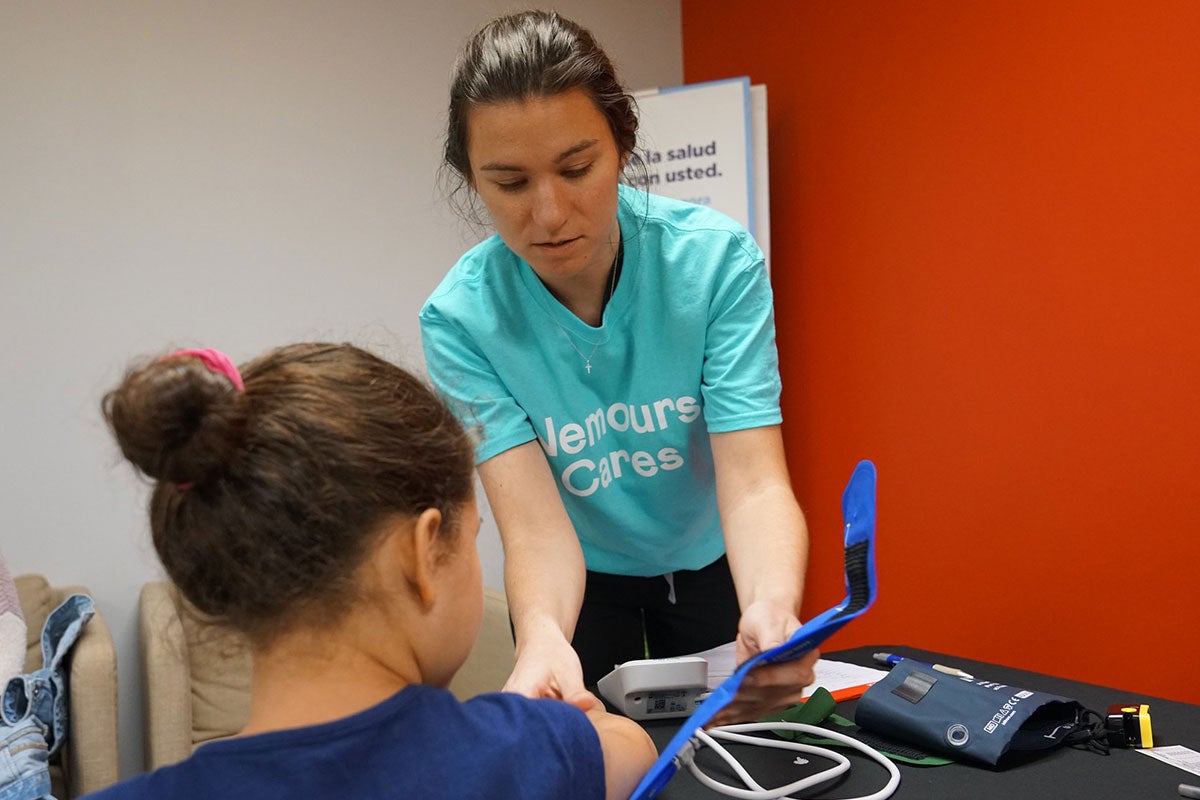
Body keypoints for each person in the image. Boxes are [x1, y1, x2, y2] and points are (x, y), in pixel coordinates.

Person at [420, 9, 817, 726]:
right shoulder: (462, 321)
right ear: (471, 179)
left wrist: (773, 603)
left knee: (734, 749)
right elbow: (536, 529)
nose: (549, 213)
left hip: (712, 562)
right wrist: (541, 632)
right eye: (509, 183)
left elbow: (756, 483)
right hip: (576, 578)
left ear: (622, 144)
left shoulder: (714, 262)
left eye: (577, 168)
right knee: (587, 753)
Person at [86, 344, 656, 800]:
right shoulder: (525, 752)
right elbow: (630, 747)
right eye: (472, 538)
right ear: (422, 551)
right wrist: (572, 722)